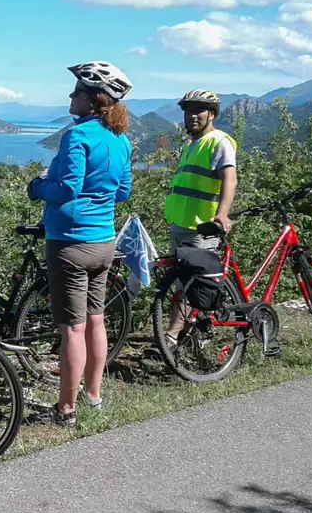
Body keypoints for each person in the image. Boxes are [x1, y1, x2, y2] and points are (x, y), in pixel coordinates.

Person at [27, 61, 133, 426]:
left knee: (71, 328)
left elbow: (66, 189)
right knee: (96, 321)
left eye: (77, 92)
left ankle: (65, 410)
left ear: (93, 100)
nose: (71, 97)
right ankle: (93, 395)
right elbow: (123, 192)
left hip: (70, 243)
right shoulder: (120, 139)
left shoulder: (78, 136)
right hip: (103, 241)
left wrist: (37, 186)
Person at [157, 89, 238, 353]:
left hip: (201, 228)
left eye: (198, 110)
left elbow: (229, 177)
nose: (192, 115)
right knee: (184, 285)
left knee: (193, 286)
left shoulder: (219, 141)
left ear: (211, 114)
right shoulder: (192, 144)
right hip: (180, 226)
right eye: (188, 110)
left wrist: (222, 213)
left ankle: (170, 339)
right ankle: (185, 338)